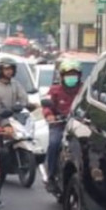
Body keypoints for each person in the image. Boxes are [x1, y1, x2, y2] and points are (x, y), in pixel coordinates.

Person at [43, 59, 84, 192]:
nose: (71, 77)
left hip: (78, 126)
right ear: (61, 76)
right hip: (59, 125)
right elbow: (46, 105)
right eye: (68, 74)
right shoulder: (55, 90)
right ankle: (50, 176)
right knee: (54, 143)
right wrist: (49, 115)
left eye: (74, 74)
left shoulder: (84, 90)